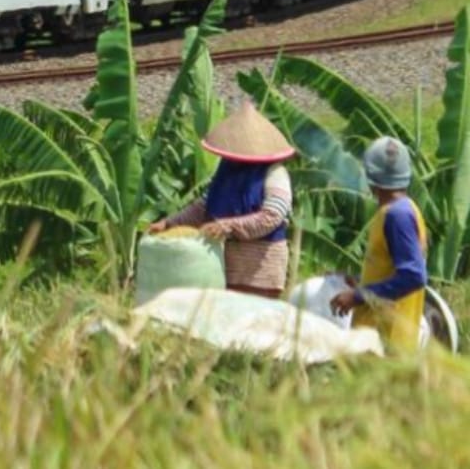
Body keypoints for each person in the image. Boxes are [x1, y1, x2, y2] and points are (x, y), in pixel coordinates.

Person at [147, 101, 295, 299]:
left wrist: (228, 226)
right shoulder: (228, 170)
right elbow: (204, 206)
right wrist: (169, 223)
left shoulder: (274, 173)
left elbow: (272, 216)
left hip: (261, 265)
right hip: (226, 261)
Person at [330, 136, 428, 351]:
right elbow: (394, 270)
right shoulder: (403, 209)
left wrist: (358, 296)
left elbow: (413, 275)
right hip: (379, 337)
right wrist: (359, 281)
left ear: (371, 177)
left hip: (386, 337)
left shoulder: (397, 216)